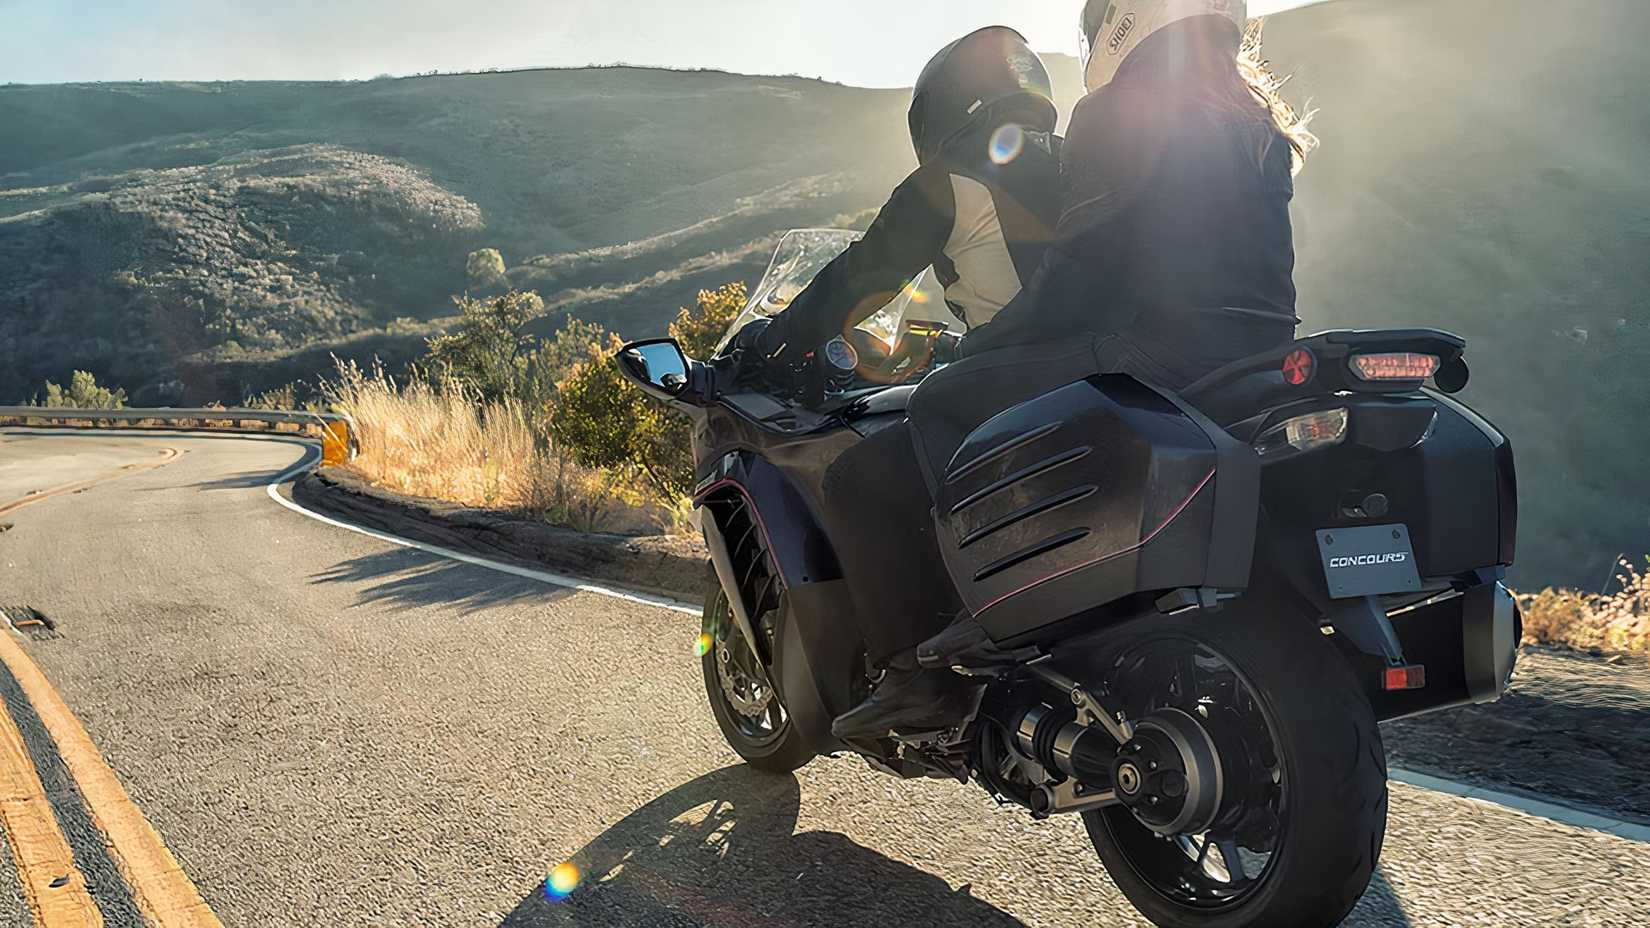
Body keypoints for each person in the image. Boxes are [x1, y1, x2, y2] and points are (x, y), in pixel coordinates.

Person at [834, 0, 1323, 738]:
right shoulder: (1257, 120)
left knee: (940, 402)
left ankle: (946, 648)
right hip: (1251, 356)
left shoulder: (1116, 111)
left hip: (1150, 350)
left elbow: (1077, 275)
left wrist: (986, 347)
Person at [727, 28, 1067, 738]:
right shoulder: (1077, 163)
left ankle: (918, 678)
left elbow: (865, 272)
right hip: (1094, 367)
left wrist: (777, 335)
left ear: (942, 108)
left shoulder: (952, 178)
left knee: (861, 481)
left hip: (1021, 382)